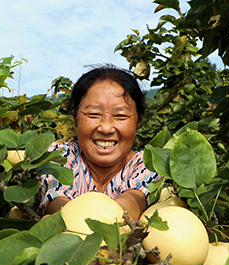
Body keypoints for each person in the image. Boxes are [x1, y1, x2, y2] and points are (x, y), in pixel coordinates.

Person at [36, 65, 161, 220]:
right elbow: (57, 201)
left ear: (138, 121)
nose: (106, 128)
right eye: (94, 114)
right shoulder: (57, 155)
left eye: (120, 115)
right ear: (75, 117)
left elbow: (133, 201)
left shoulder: (149, 164)